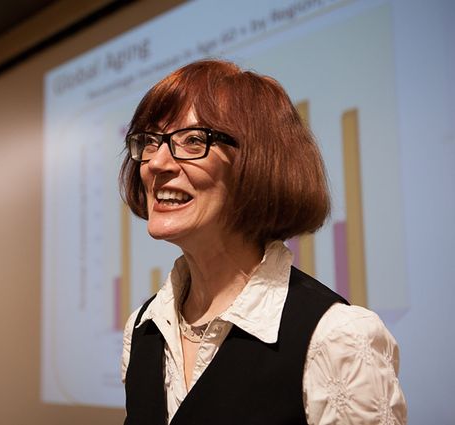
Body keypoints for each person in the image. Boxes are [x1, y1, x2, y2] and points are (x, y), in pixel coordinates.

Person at [119, 60, 406, 425]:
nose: (156, 163)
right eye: (150, 141)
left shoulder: (338, 337)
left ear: (257, 163)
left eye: (192, 141)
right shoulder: (142, 327)